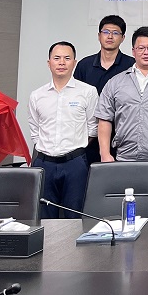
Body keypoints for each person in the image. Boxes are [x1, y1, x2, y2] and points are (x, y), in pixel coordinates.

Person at [28, 41, 99, 218]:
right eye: (57, 58)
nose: (61, 62)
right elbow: (35, 130)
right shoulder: (37, 95)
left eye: (67, 58)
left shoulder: (88, 92)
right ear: (49, 63)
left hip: (75, 164)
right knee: (43, 217)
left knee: (74, 217)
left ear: (74, 63)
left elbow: (93, 128)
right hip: (44, 164)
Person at [95, 26, 148, 162]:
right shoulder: (116, 82)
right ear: (133, 51)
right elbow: (104, 119)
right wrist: (105, 153)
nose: (146, 52)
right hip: (125, 158)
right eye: (141, 48)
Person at [75, 15, 136, 163]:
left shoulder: (132, 65)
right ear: (99, 36)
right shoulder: (84, 65)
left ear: (123, 38)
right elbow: (75, 98)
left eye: (115, 33)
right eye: (106, 32)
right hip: (88, 137)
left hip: (122, 137)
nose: (110, 36)